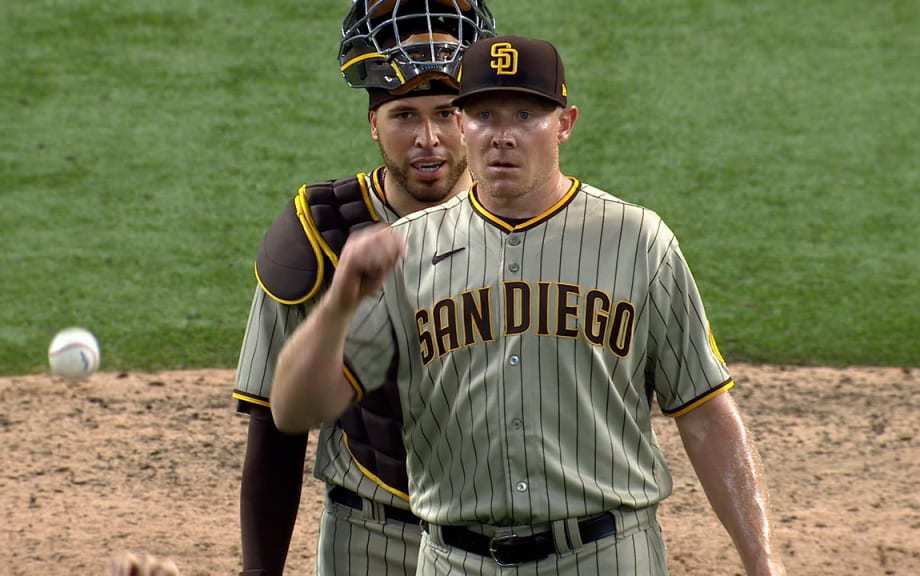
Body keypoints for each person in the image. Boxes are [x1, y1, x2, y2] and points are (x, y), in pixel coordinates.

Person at [270, 34, 787, 576]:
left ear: (565, 123)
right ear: (462, 127)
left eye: (525, 115)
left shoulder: (639, 242)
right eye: (484, 114)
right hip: (453, 560)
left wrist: (762, 564)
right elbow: (296, 410)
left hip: (607, 556)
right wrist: (341, 299)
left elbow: (705, 414)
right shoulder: (409, 249)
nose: (503, 136)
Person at [231, 2, 495, 575]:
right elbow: (276, 433)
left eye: (447, 113)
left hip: (504, 538)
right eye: (404, 116)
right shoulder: (318, 232)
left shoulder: (538, 225)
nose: (429, 139)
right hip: (370, 539)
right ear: (373, 122)